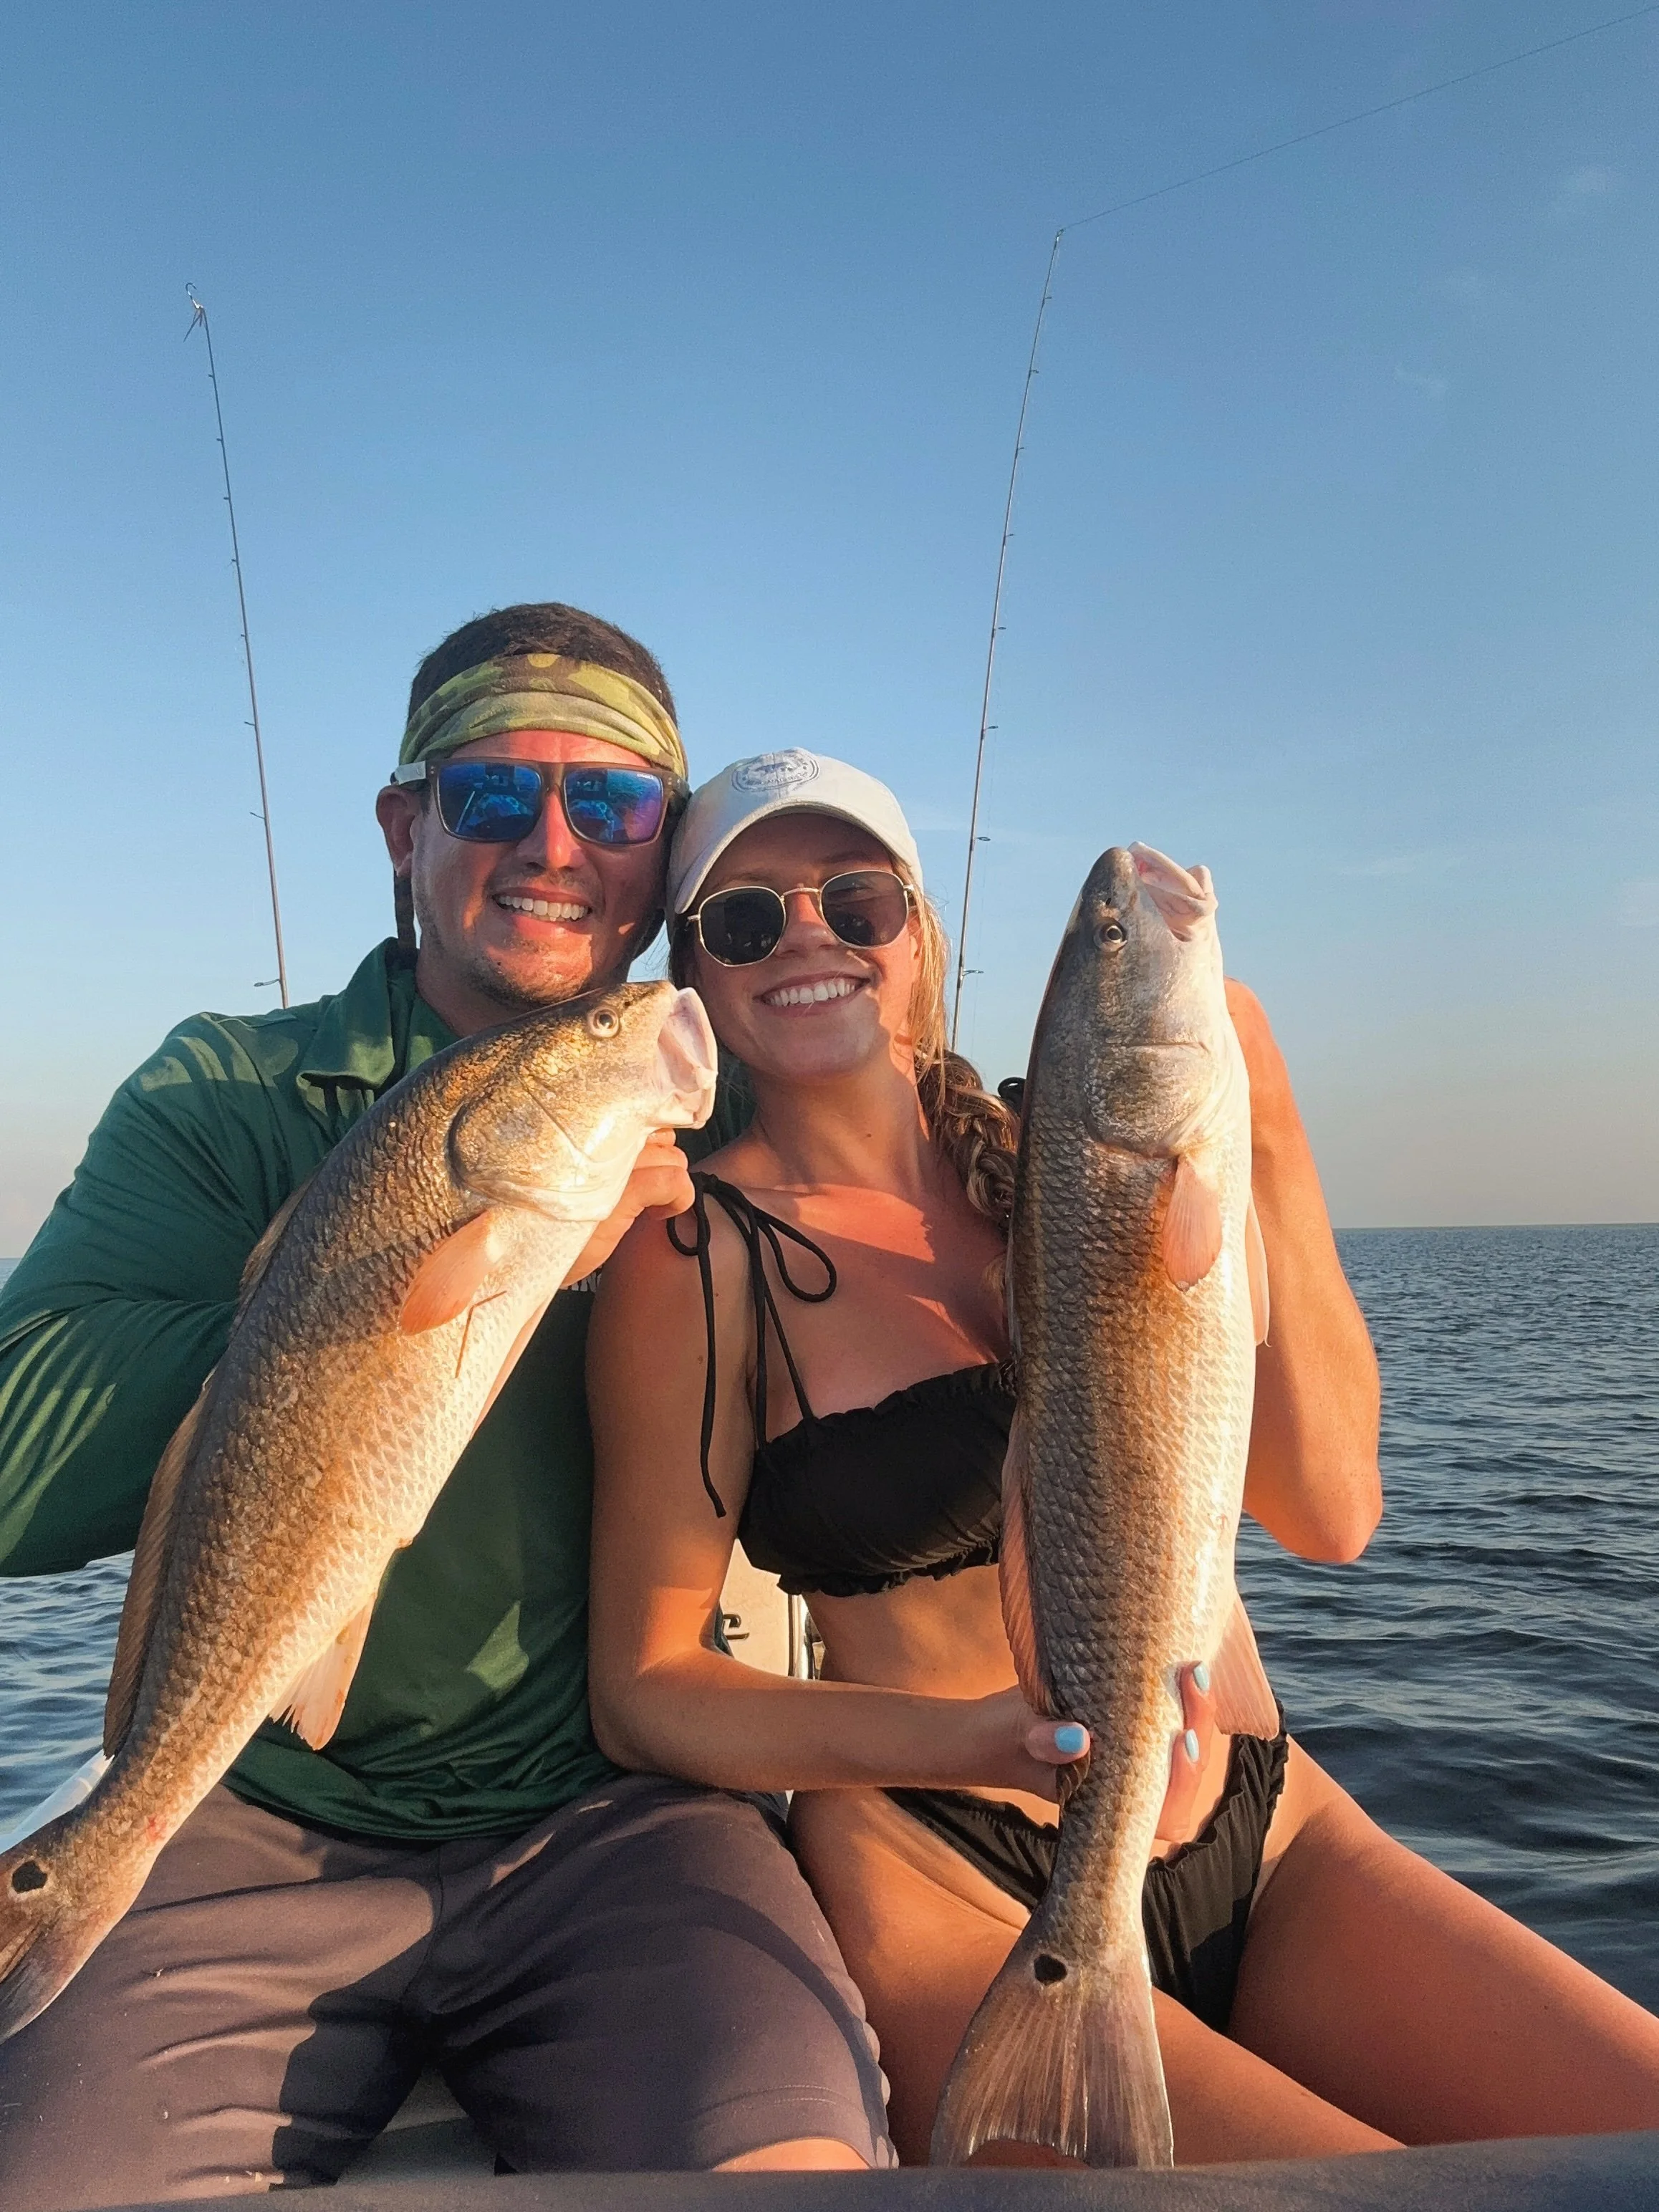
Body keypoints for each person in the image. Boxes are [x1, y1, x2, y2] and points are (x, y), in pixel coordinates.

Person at [587, 748, 1659, 2168]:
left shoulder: (1075, 1158)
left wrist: (1263, 1124)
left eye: (856, 900)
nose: (808, 940)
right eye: (745, 918)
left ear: (918, 934)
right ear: (697, 972)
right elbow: (646, 1688)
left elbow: (1331, 1509)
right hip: (948, 1872)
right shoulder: (696, 1255)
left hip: (1267, 1834)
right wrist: (988, 1745)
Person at [0, 619, 890, 2208]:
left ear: (663, 854)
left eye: (613, 806)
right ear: (407, 830)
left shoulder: (737, 1098)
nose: (554, 847)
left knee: (795, 2169)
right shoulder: (228, 1092)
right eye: (492, 795)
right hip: (241, 1817)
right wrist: (350, 1301)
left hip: (625, 1829)